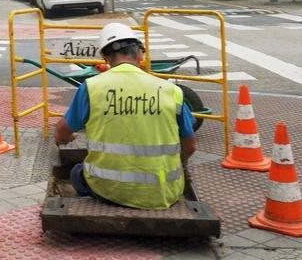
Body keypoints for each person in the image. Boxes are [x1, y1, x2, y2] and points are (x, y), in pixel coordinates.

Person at [54, 23, 197, 210]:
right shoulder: (172, 91)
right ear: (140, 54)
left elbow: (60, 134)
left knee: (76, 173)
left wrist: (66, 138)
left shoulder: (91, 87)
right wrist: (179, 163)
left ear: (106, 58)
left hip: (107, 189)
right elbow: (191, 146)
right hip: (164, 193)